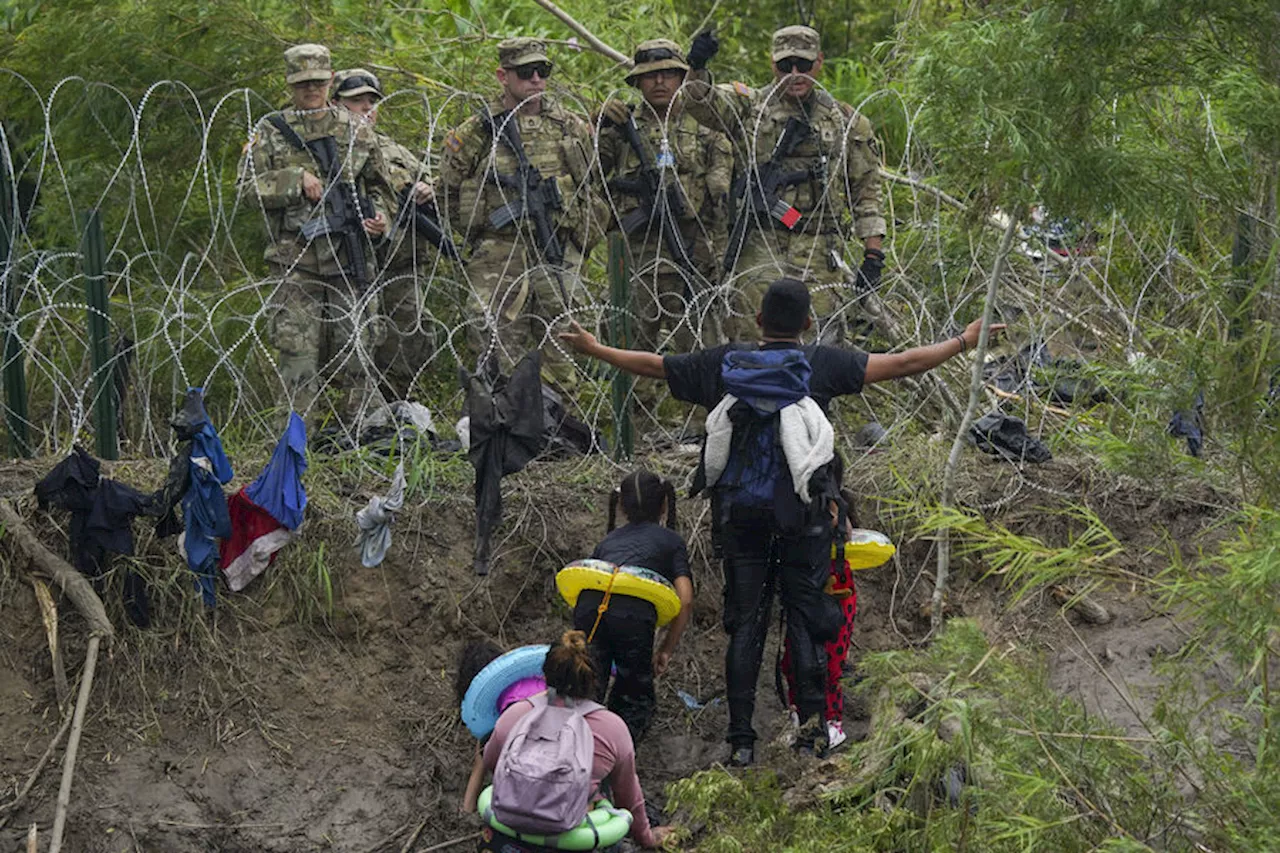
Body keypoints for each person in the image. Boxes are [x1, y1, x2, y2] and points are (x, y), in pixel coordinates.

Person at [560, 277, 1003, 766]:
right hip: (804, 520)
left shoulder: (724, 363)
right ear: (808, 324)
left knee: (745, 626)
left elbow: (654, 366)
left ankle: (741, 741)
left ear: (758, 321)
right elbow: (904, 363)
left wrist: (595, 349)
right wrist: (965, 340)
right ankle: (812, 733)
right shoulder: (822, 363)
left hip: (739, 519)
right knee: (805, 622)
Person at [681, 26, 886, 343]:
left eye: (803, 65)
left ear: (818, 62)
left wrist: (873, 257)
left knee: (819, 345)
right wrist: (697, 66)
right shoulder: (750, 108)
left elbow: (866, 192)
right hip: (762, 243)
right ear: (772, 64)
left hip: (819, 246)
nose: (794, 74)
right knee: (752, 335)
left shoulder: (845, 121)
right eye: (785, 66)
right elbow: (698, 101)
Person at [237, 44, 394, 416]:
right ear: (290, 84)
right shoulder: (270, 132)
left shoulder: (356, 129)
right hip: (296, 261)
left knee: (357, 351)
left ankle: (362, 437)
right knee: (298, 358)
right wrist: (294, 180)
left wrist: (381, 218)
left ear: (329, 80)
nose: (311, 90)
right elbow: (246, 188)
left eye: (319, 82)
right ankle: (294, 444)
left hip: (348, 257)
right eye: (303, 83)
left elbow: (379, 186)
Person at [439, 38, 600, 388]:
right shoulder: (478, 130)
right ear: (503, 75)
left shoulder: (568, 126)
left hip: (553, 247)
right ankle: (499, 431)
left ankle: (560, 432)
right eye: (527, 72)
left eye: (544, 71)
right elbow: (447, 191)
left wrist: (577, 240)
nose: (537, 80)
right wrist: (478, 231)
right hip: (499, 252)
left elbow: (590, 186)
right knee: (495, 345)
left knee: (561, 346)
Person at [596, 39, 733, 371]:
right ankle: (637, 420)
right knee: (630, 344)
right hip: (639, 252)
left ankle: (706, 420)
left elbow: (724, 187)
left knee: (702, 348)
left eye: (669, 74)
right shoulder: (621, 125)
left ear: (682, 77)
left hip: (693, 251)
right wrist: (595, 124)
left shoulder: (707, 124)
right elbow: (590, 170)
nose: (660, 82)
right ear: (638, 81)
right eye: (651, 75)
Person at [479, 630, 672, 850]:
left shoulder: (515, 716)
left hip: (509, 838)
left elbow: (493, 763)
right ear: (595, 679)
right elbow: (628, 798)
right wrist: (647, 838)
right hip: (574, 839)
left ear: (544, 675)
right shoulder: (612, 728)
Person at [331, 67, 442, 401]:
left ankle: (397, 413)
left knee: (407, 343)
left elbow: (436, 183)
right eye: (356, 102)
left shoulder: (393, 150)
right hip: (350, 268)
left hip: (402, 265)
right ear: (335, 104)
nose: (367, 109)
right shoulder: (330, 152)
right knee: (355, 343)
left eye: (371, 102)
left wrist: (428, 188)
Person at [574, 470, 694, 742]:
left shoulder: (607, 542)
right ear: (664, 504)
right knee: (633, 697)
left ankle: (575, 755)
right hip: (632, 614)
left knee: (587, 687)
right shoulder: (671, 541)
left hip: (589, 607)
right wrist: (665, 648)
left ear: (621, 506)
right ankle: (613, 765)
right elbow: (685, 600)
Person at [780, 485, 859, 754]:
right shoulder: (789, 501)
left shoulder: (835, 503)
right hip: (803, 585)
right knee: (793, 658)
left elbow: (845, 532)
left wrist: (832, 508)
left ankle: (833, 720)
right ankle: (797, 716)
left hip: (835, 588)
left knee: (832, 660)